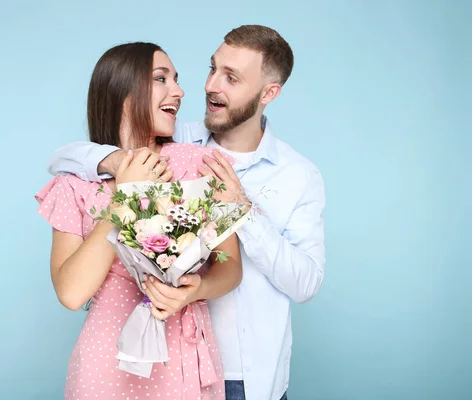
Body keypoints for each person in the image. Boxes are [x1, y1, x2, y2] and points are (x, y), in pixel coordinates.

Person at [46, 25, 326, 400]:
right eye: (213, 69)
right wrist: (121, 173)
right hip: (105, 365)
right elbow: (70, 156)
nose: (206, 86)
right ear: (123, 90)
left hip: (226, 368)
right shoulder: (92, 173)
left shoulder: (277, 172)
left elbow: (294, 280)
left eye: (231, 77)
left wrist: (241, 212)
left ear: (268, 93)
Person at [35, 42, 243, 399]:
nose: (178, 91)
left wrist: (198, 290)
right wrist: (122, 201)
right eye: (161, 79)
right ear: (122, 91)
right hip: (105, 365)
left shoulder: (199, 164)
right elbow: (71, 293)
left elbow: (231, 266)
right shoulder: (75, 184)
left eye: (176, 80)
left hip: (182, 360)